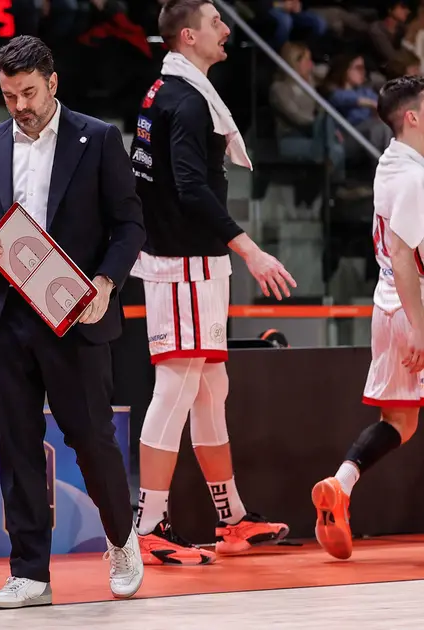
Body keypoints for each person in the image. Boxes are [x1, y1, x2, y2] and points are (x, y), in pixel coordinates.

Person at [0, 35, 145, 608]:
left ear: (53, 82)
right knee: (17, 447)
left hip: (74, 314)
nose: (21, 105)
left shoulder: (100, 137)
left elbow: (129, 225)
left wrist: (106, 285)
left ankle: (121, 539)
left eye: (29, 92)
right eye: (10, 95)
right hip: (6, 316)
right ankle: (29, 572)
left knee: (90, 439)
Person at [128, 0, 295, 566]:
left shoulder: (165, 91)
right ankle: (148, 525)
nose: (226, 29)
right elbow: (191, 188)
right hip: (184, 265)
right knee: (175, 390)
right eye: (216, 21)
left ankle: (231, 519)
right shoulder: (186, 100)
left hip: (185, 261)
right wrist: (249, 249)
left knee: (210, 391)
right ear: (188, 35)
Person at [312, 75, 424, 561]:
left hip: (387, 305)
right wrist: (421, 327)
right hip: (411, 307)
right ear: (413, 118)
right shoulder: (415, 179)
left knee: (399, 423)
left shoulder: (391, 164)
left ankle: (341, 483)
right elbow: (402, 256)